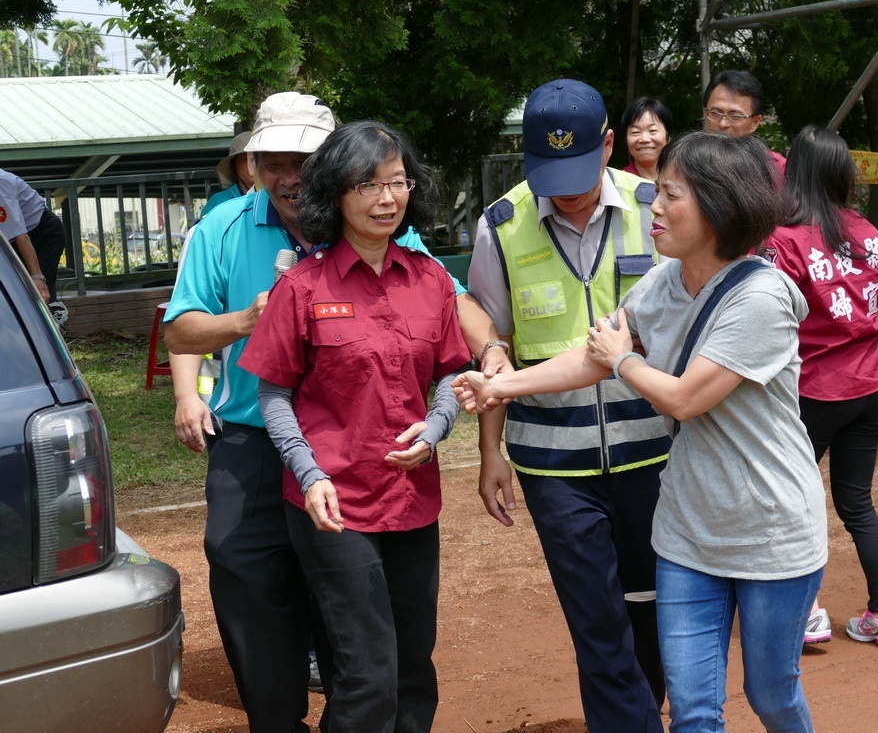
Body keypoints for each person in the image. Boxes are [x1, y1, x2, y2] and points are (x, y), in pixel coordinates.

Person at [459, 132, 829, 733]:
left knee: (770, 695)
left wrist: (624, 359)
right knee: (693, 711)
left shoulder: (760, 297)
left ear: (719, 205)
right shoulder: (665, 282)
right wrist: (502, 387)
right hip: (687, 532)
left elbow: (683, 399)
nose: (653, 207)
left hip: (769, 530)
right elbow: (593, 356)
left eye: (671, 195)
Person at [164, 92, 501, 732]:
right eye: (272, 162)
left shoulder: (393, 236)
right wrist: (247, 322)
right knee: (254, 589)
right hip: (260, 443)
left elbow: (449, 311)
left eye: (303, 160)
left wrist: (491, 352)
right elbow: (181, 332)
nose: (287, 175)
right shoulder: (225, 231)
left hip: (366, 451)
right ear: (252, 164)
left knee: (370, 630)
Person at [240, 120, 472, 732]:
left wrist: (437, 424)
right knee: (367, 673)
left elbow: (451, 371)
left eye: (397, 182)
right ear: (336, 195)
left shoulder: (429, 281)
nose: (386, 198)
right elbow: (273, 394)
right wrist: (308, 471)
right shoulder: (301, 287)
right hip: (332, 502)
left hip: (412, 499)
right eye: (367, 185)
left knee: (413, 666)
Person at [465, 78, 670, 732]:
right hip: (554, 466)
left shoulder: (655, 206)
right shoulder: (500, 225)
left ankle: (650, 704)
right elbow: (492, 342)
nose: (567, 190)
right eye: (550, 173)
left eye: (580, 170)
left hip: (658, 453)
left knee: (656, 606)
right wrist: (489, 450)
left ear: (609, 145)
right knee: (596, 617)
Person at [762, 126, 878, 652]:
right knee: (857, 503)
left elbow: (770, 315)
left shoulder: (784, 239)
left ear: (793, 172)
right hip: (869, 386)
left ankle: (810, 611)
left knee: (792, 503)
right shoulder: (869, 232)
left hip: (814, 392)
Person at [0, 168, 67, 325]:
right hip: (14, 239)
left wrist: (37, 277)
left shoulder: (1, 184)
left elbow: (21, 235)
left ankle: (52, 330)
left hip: (42, 234)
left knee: (37, 292)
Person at [701, 69, 786, 180]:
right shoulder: (685, 163)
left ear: (754, 122)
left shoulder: (775, 169)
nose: (723, 123)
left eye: (735, 116)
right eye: (715, 113)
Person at [203, 130, 255, 218]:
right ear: (234, 165)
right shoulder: (218, 202)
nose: (251, 164)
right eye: (244, 159)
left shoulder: (273, 197)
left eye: (255, 158)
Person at [621, 96, 673, 181]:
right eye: (635, 132)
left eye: (653, 130)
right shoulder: (616, 182)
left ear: (668, 137)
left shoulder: (684, 179)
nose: (644, 139)